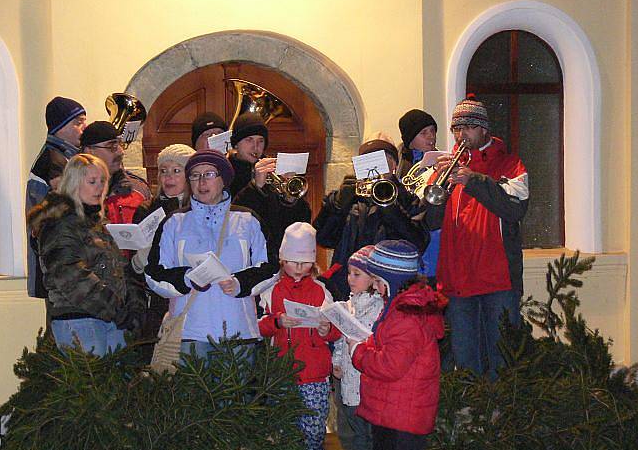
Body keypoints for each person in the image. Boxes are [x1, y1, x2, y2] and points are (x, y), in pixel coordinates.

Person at [347, 240, 446, 450]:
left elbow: (390, 365)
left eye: (376, 277)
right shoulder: (400, 308)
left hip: (402, 415)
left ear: (387, 277)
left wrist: (358, 352)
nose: (372, 282)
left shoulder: (405, 316)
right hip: (396, 410)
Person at [424, 96, 529, 381]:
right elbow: (431, 222)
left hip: (498, 279)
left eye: (469, 127)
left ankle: (500, 416)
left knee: (501, 358)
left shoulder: (509, 164)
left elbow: (515, 206)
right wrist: (436, 182)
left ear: (484, 129)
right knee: (465, 358)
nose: (461, 135)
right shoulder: (447, 168)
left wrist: (474, 181)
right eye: (457, 129)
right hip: (459, 279)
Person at [144, 149, 279, 360]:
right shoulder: (174, 222)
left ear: (223, 179)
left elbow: (270, 268)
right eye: (195, 175)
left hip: (239, 333)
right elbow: (154, 273)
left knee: (236, 393)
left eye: (208, 174)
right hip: (189, 335)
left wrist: (239, 284)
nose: (201, 182)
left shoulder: (247, 219)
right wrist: (186, 279)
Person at [27, 154, 146, 356]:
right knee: (91, 384)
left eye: (102, 181)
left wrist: (134, 304)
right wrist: (117, 309)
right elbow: (71, 276)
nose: (99, 188)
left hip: (107, 319)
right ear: (74, 184)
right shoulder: (59, 223)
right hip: (79, 320)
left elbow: (119, 268)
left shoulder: (95, 224)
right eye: (92, 182)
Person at [258, 222, 340, 450]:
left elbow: (335, 328)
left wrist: (324, 329)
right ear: (282, 259)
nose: (298, 267)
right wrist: (277, 322)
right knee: (283, 429)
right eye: (293, 261)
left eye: (305, 262)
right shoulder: (270, 291)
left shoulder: (321, 291)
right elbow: (257, 326)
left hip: (315, 374)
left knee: (313, 431)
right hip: (283, 374)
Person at [313, 133, 429, 300]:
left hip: (388, 286)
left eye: (382, 158)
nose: (375, 165)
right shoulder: (347, 196)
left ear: (394, 164)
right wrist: (338, 205)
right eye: (368, 159)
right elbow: (324, 239)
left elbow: (418, 243)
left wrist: (390, 207)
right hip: (347, 285)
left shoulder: (408, 199)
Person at [331, 245, 384, 450]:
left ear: (374, 279)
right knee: (361, 442)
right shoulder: (347, 306)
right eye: (350, 273)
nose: (351, 279)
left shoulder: (380, 308)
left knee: (375, 443)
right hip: (351, 385)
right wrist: (337, 362)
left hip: (370, 384)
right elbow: (342, 338)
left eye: (358, 274)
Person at [129, 144, 194, 355]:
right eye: (163, 171)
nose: (169, 177)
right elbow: (134, 268)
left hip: (193, 298)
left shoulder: (199, 209)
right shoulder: (147, 209)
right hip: (158, 301)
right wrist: (140, 257)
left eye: (176, 171)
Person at [25, 96, 86, 303]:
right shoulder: (54, 161)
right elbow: (63, 209)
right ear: (60, 127)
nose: (84, 128)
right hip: (56, 265)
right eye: (78, 123)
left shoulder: (65, 156)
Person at [229, 113, 312, 248]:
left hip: (272, 254)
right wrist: (256, 187)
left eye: (260, 140)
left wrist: (290, 199)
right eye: (249, 140)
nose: (255, 146)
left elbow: (301, 224)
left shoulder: (274, 171)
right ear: (236, 144)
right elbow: (233, 219)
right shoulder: (225, 172)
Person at [396, 109, 443, 283]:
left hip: (435, 240)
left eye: (433, 131)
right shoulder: (399, 165)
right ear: (410, 139)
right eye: (424, 133)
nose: (431, 136)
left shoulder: (443, 163)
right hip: (408, 241)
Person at [81, 121, 152, 225]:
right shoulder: (72, 193)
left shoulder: (139, 189)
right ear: (90, 151)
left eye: (120, 144)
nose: (120, 152)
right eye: (111, 146)